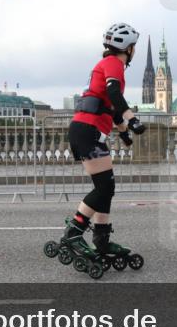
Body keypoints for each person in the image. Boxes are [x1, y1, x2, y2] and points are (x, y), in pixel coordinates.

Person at [63, 22, 147, 260]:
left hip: (88, 131)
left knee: (106, 187)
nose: (134, 50)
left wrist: (124, 132)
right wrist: (133, 119)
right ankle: (73, 233)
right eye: (134, 47)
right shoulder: (113, 63)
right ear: (128, 48)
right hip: (87, 131)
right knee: (104, 187)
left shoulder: (108, 64)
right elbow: (113, 94)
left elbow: (110, 107)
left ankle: (101, 239)